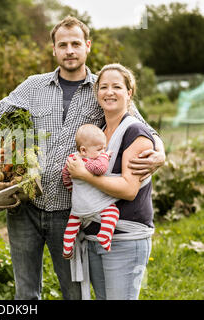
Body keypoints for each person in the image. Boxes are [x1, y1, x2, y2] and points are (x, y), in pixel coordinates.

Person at [0, 16, 165, 300]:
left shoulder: (104, 89)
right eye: (63, 45)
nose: (70, 50)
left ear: (87, 46)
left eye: (76, 44)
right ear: (54, 50)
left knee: (74, 291)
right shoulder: (33, 87)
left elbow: (141, 126)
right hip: (25, 204)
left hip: (70, 210)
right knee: (25, 293)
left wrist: (160, 153)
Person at [66, 63, 157, 300]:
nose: (109, 92)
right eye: (103, 87)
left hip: (126, 239)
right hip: (96, 237)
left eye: (117, 86)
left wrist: (84, 175)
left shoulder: (135, 133)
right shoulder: (98, 133)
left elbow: (128, 189)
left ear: (129, 93)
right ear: (97, 94)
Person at [62, 124, 119, 259]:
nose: (103, 151)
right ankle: (105, 235)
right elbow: (100, 169)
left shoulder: (72, 159)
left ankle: (67, 247)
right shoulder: (88, 162)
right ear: (83, 150)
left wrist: (70, 188)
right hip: (94, 204)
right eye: (100, 149)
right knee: (113, 211)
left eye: (104, 148)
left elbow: (65, 175)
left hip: (77, 206)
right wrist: (105, 157)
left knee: (72, 224)